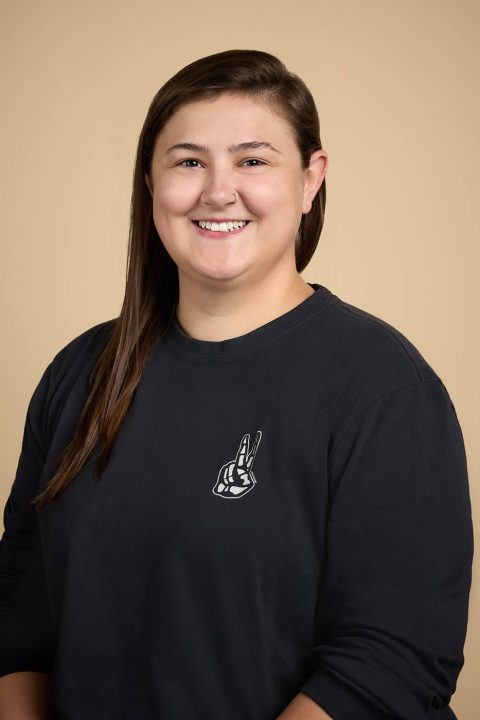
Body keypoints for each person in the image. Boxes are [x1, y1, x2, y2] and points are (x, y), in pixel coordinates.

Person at [0, 48, 473, 720]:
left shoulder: (383, 387)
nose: (218, 190)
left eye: (253, 160)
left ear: (312, 180)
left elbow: (390, 660)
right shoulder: (81, 372)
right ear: (149, 182)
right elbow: (23, 605)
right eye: (189, 161)